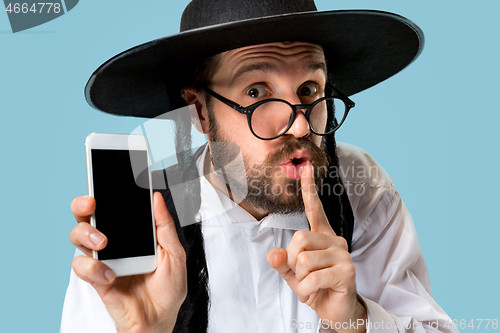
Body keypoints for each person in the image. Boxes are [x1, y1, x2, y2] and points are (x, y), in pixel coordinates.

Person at [61, 1, 458, 332]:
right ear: (198, 110)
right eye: (256, 93)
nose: (300, 124)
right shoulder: (141, 223)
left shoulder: (362, 189)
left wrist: (354, 321)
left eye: (309, 90)